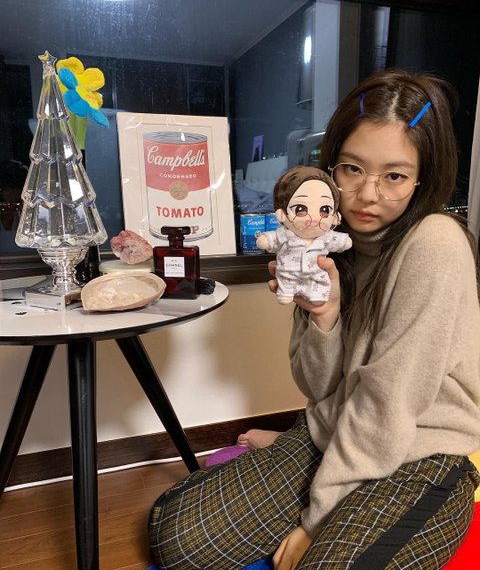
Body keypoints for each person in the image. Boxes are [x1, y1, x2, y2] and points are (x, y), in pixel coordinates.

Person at [148, 69, 480, 569]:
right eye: (352, 169)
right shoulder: (322, 244)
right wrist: (324, 317)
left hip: (423, 451)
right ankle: (293, 453)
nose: (367, 194)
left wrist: (316, 518)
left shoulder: (435, 243)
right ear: (330, 168)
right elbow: (318, 386)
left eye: (394, 176)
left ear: (422, 178)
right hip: (341, 427)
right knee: (177, 534)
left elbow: (388, 402)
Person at [255, 166, 352, 305]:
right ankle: (286, 292)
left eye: (325, 210)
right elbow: (273, 239)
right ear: (282, 214)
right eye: (300, 209)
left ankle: (317, 296)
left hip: (316, 276)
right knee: (286, 285)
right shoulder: (285, 234)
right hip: (289, 274)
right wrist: (266, 240)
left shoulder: (326, 237)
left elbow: (339, 241)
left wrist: (344, 241)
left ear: (335, 217)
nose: (314, 218)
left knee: (319, 290)